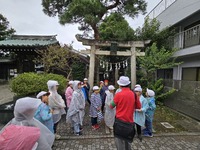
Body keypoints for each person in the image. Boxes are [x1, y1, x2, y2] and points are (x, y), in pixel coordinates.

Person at [110, 76, 141, 150]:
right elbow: (138, 106)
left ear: (120, 85)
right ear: (128, 84)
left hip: (119, 122)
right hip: (130, 122)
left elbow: (111, 106)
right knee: (128, 142)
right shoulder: (134, 94)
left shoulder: (118, 95)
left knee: (119, 142)